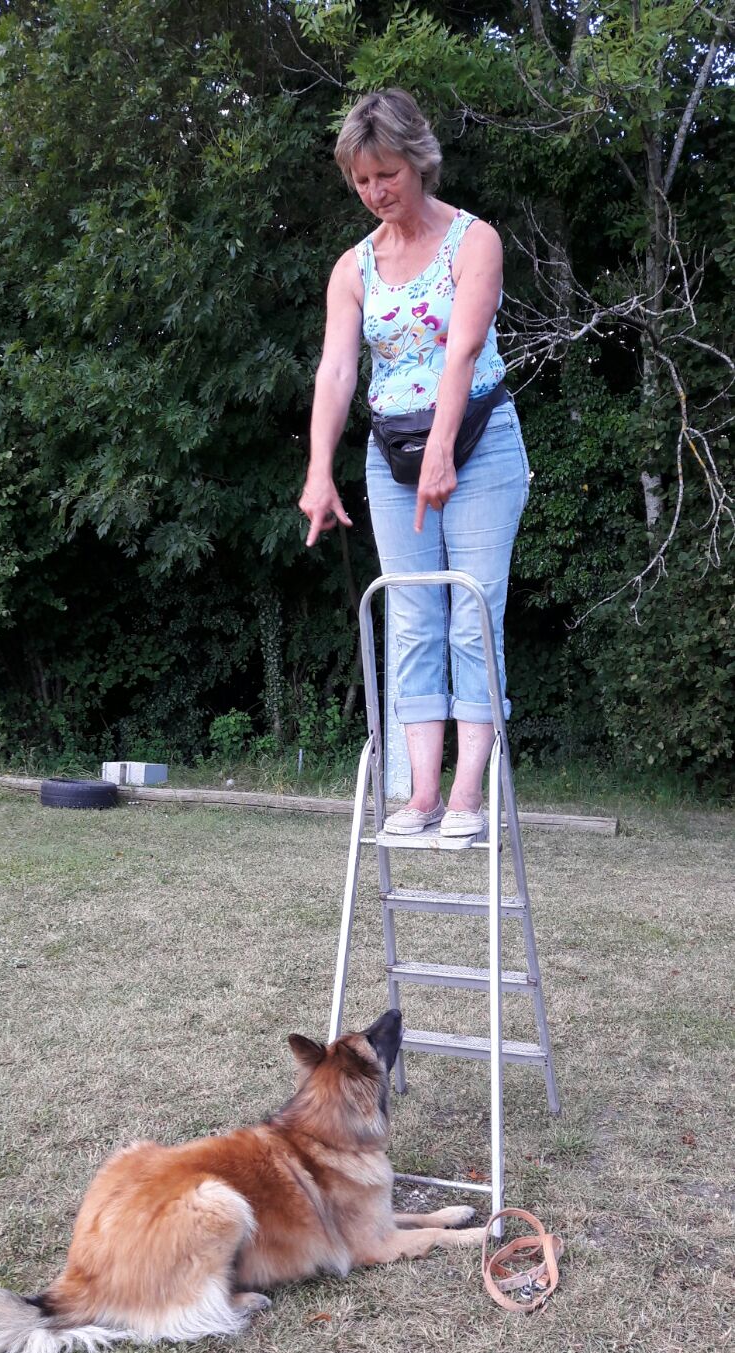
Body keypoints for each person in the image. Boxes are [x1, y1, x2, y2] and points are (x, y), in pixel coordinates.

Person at [299, 88, 530, 847]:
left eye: (386, 174)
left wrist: (443, 450)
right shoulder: (354, 268)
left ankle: (467, 797)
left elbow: (463, 349)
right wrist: (319, 471)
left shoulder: (473, 241)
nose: (375, 192)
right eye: (362, 180)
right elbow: (338, 370)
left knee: (472, 611)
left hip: (479, 443)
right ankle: (421, 794)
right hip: (392, 450)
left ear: (418, 162)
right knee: (411, 614)